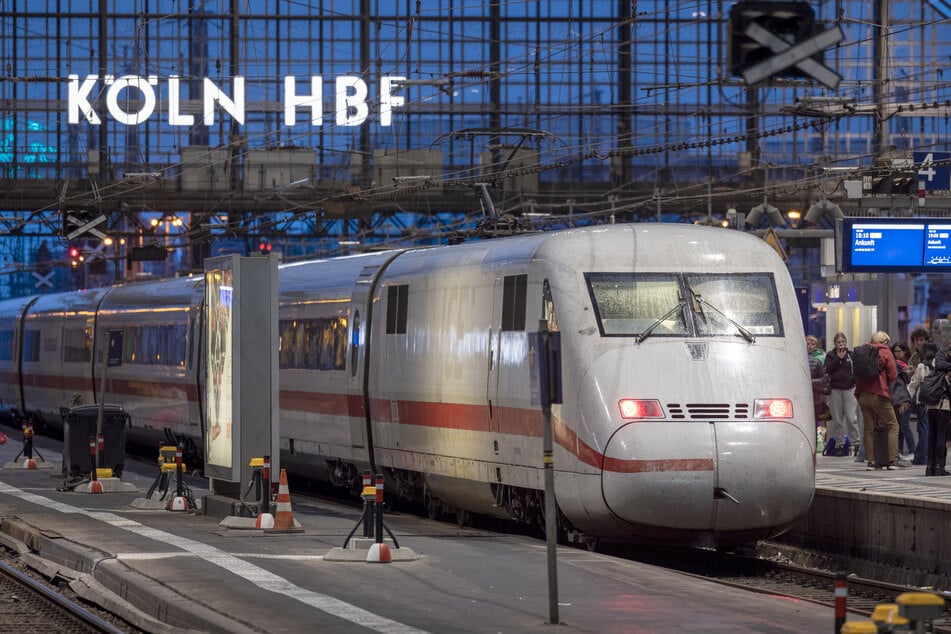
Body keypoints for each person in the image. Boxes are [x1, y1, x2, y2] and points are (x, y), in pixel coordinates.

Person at [855, 331, 910, 469]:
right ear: (884, 341)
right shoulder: (885, 352)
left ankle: (871, 461)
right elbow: (892, 375)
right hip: (879, 394)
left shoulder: (863, 351)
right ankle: (893, 460)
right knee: (893, 425)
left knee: (868, 429)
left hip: (862, 395)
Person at [823, 332, 859, 456]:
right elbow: (827, 369)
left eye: (843, 342)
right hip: (835, 390)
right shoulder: (830, 355)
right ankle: (840, 444)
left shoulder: (851, 355)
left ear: (846, 342)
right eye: (838, 342)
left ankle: (856, 444)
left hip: (849, 389)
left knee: (851, 418)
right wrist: (838, 358)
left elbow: (856, 370)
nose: (841, 344)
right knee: (837, 419)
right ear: (835, 344)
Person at [908, 327, 931, 465]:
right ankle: (922, 455)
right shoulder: (914, 355)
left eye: (922, 340)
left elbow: (917, 377)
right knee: (923, 427)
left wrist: (913, 371)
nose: (919, 342)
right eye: (917, 340)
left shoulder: (928, 355)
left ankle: (920, 456)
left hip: (924, 395)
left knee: (924, 427)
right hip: (921, 395)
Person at [890, 341, 916, 459]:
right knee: (899, 426)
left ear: (904, 352)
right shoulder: (897, 364)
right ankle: (899, 451)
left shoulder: (907, 363)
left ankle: (912, 451)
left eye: (898, 351)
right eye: (894, 351)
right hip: (899, 397)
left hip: (905, 398)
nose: (896, 353)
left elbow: (908, 379)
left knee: (904, 425)